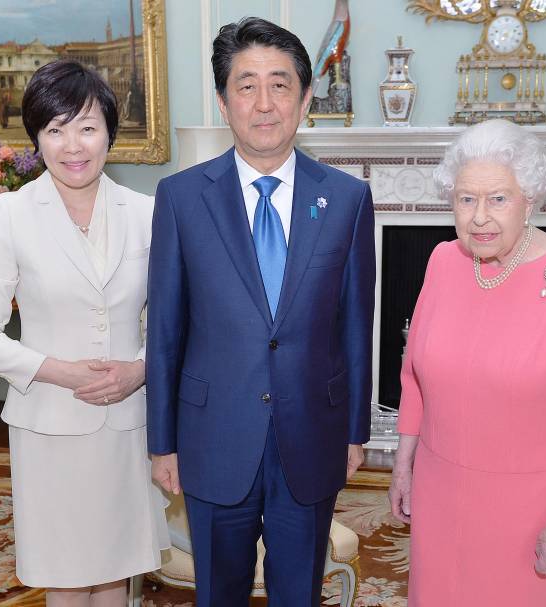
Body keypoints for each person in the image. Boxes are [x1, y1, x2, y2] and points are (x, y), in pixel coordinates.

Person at [147, 17, 375, 607]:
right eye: (247, 85)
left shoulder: (347, 199)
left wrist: (354, 431)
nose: (265, 102)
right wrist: (162, 441)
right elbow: (167, 331)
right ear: (224, 103)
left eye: (281, 84)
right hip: (213, 435)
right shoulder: (181, 198)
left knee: (299, 592)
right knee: (218, 592)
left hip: (312, 436)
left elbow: (356, 326)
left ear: (304, 98)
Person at [0, 59, 169, 607]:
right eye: (56, 129)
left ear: (109, 134)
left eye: (87, 127)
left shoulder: (147, 213)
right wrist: (60, 370)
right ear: (37, 138)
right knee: (68, 572)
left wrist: (141, 368)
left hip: (128, 422)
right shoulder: (10, 215)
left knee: (117, 569)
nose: (73, 145)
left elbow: (174, 320)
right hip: (49, 422)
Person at [387, 119, 546, 607]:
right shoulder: (443, 261)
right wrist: (403, 465)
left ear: (529, 199)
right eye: (466, 199)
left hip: (525, 506)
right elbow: (415, 376)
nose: (479, 218)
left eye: (498, 198)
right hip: (439, 487)